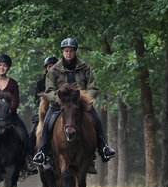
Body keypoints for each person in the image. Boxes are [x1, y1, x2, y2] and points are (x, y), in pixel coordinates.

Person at [32, 38, 116, 171]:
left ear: (75, 52)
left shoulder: (85, 67)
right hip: (59, 104)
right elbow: (49, 89)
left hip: (80, 104)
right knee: (47, 123)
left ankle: (103, 148)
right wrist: (58, 100)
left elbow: (92, 87)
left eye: (71, 51)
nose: (69, 53)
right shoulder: (54, 70)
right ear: (63, 52)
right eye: (66, 51)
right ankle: (43, 153)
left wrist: (85, 99)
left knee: (96, 120)